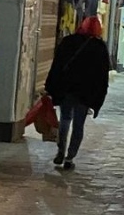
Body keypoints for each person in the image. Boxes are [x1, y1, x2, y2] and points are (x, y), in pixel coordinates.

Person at [44, 15, 111, 171]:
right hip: (85, 93)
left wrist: (50, 86)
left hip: (67, 89)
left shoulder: (68, 42)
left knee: (65, 119)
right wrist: (99, 98)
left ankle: (60, 151)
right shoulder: (99, 47)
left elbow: (57, 65)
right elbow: (102, 76)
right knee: (79, 125)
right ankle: (70, 157)